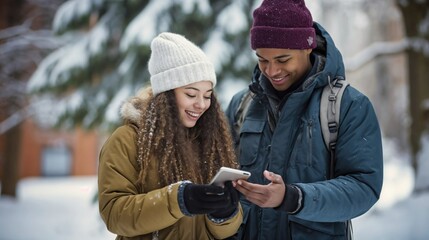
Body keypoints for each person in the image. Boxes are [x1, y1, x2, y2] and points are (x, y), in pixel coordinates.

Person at [225, 0, 384, 239]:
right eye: (262, 60)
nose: (271, 71)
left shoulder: (348, 105)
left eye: (282, 59)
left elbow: (364, 187)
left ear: (307, 47)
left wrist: (293, 198)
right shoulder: (241, 105)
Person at [98, 32, 243, 240]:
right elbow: (114, 214)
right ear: (166, 94)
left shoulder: (209, 143)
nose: (201, 104)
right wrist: (179, 199)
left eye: (207, 95)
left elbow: (224, 231)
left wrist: (224, 215)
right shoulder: (127, 140)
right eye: (191, 94)